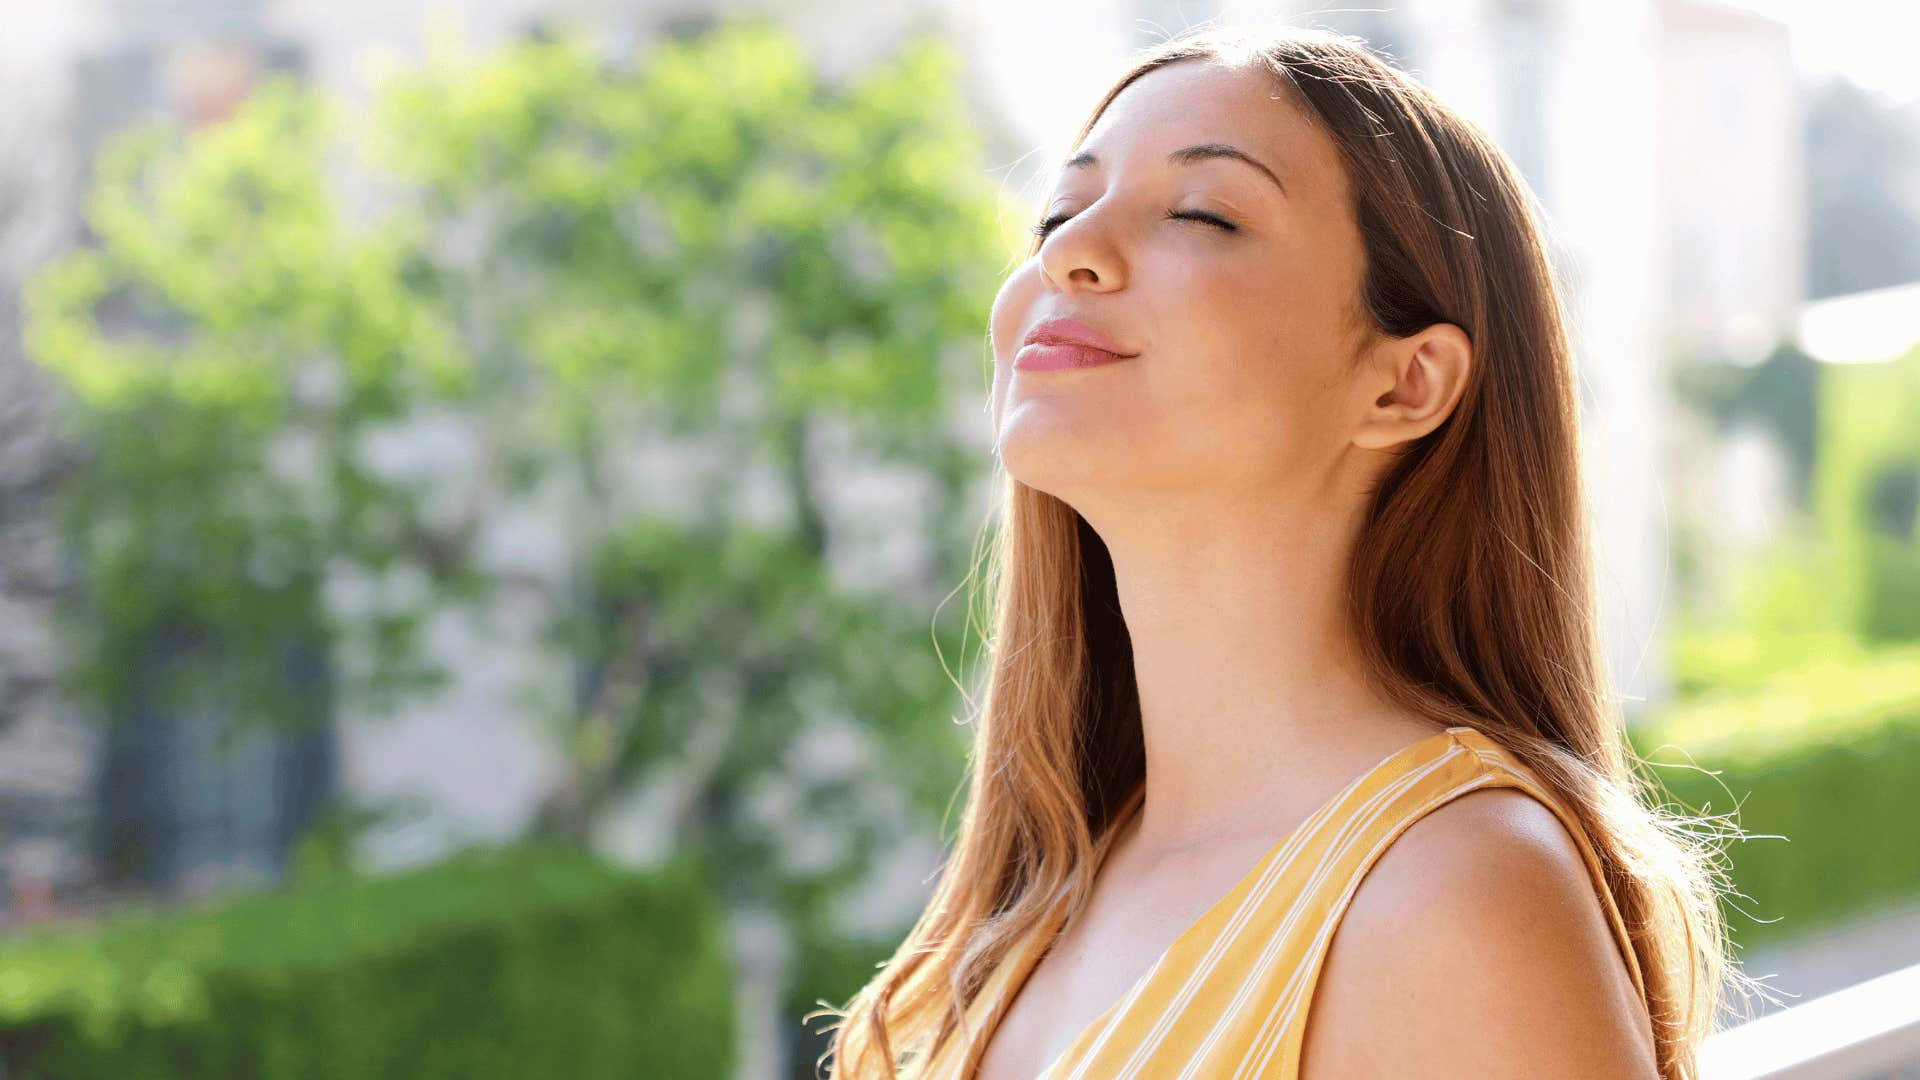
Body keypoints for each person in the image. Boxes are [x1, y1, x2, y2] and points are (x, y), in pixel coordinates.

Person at [812, 24, 1763, 1079]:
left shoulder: (1455, 895)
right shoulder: (1034, 897)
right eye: (1060, 209)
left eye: (1203, 213)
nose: (1066, 251)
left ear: (1404, 384)